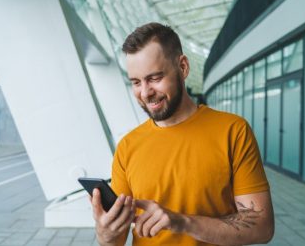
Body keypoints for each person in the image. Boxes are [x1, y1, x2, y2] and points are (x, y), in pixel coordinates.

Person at [89, 22, 274, 246]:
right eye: (136, 82)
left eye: (155, 78)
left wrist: (181, 222)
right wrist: (105, 234)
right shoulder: (128, 146)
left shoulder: (233, 131)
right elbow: (115, 240)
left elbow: (262, 227)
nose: (146, 93)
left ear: (183, 67)